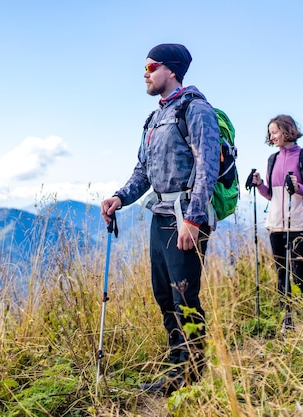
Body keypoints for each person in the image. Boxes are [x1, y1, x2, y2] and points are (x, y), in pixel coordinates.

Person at [100, 43, 221, 395]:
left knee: (185, 296)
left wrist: (194, 219)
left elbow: (207, 165)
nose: (145, 73)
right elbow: (143, 171)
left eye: (151, 67)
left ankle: (192, 375)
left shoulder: (196, 109)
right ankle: (178, 369)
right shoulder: (154, 119)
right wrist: (120, 197)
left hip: (185, 216)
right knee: (164, 296)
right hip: (161, 215)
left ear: (170, 70)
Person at [246, 114, 303, 333]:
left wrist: (299, 189)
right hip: (276, 226)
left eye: (275, 132)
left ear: (287, 131)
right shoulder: (273, 159)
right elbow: (271, 194)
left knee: (298, 274)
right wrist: (260, 184)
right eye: (270, 134)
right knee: (282, 274)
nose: (271, 137)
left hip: (300, 225)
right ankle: (286, 321)